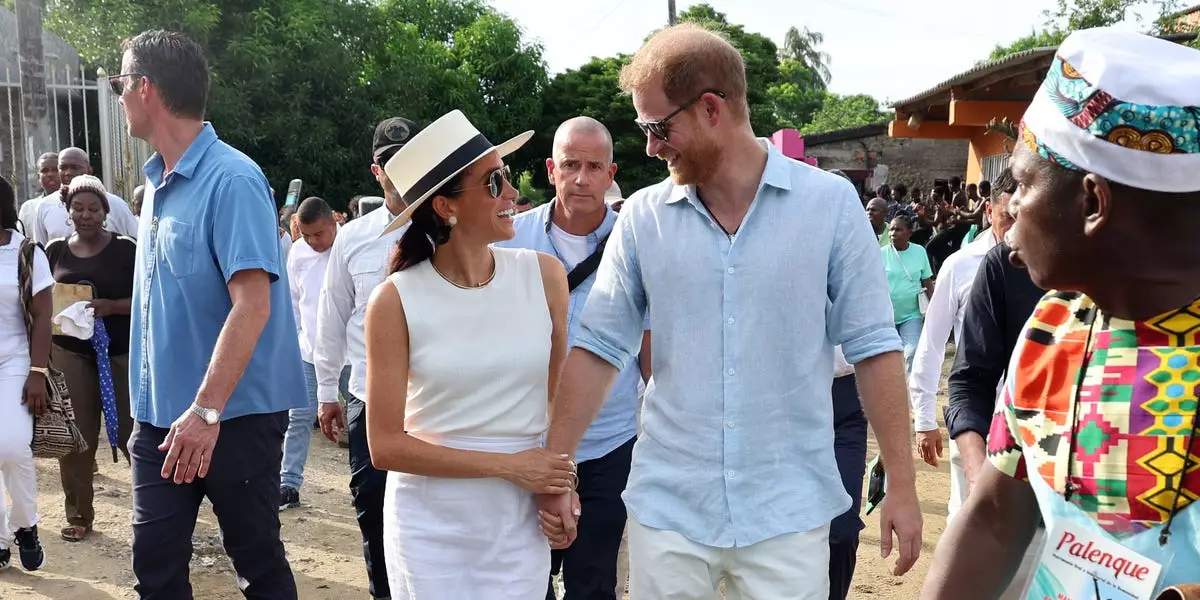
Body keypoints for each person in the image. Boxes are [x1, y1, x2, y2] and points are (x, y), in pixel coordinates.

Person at [537, 23, 922, 600]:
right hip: (670, 506)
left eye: (658, 127)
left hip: (788, 510)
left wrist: (903, 484)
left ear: (712, 108)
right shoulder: (645, 217)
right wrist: (557, 469)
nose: (649, 147)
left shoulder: (830, 205)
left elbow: (873, 347)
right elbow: (598, 350)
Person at [923, 28, 1200, 597]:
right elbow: (995, 519)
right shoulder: (1055, 326)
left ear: (1093, 203)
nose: (1010, 211)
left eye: (1022, 184)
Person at [116, 29, 305, 598]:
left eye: (120, 83)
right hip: (160, 423)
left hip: (233, 419)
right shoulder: (153, 187)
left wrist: (206, 411)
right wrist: (143, 412)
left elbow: (253, 304)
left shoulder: (234, 179)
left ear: (146, 88)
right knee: (155, 566)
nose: (117, 95)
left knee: (257, 563)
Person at [365, 109, 574, 598]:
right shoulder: (395, 300)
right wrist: (509, 466)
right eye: (494, 181)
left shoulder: (545, 277)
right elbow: (385, 446)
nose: (512, 193)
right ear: (445, 207)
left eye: (506, 176)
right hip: (430, 528)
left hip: (519, 521)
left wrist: (561, 484)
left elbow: (558, 401)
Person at [496, 116, 638, 600]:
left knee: (593, 581)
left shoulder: (636, 245)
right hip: (526, 440)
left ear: (610, 173)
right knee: (525, 577)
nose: (582, 178)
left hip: (609, 442)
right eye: (571, 165)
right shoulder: (508, 242)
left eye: (594, 166)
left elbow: (655, 346)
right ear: (551, 170)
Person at [314, 116, 422, 600]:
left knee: (433, 513)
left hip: (436, 404)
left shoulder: (454, 230)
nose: (400, 171)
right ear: (375, 170)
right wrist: (324, 392)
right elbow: (332, 316)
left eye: (409, 159)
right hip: (367, 399)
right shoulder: (353, 238)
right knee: (373, 510)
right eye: (388, 162)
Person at [908, 168, 1014, 505]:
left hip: (1030, 425)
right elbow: (932, 343)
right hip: (974, 416)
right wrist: (924, 419)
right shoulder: (960, 266)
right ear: (988, 211)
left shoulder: (1053, 267)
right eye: (1005, 217)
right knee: (968, 517)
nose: (1015, 228)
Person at [43, 175, 137, 543]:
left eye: (93, 209)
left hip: (119, 352)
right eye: (78, 208)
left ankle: (159, 507)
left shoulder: (126, 249)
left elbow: (149, 298)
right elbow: (39, 299)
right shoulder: (54, 251)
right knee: (76, 436)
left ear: (106, 211)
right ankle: (79, 514)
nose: (85, 215)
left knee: (135, 433)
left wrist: (112, 307)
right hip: (71, 356)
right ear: (68, 212)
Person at [280, 196, 347, 510]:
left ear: (333, 223)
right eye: (306, 235)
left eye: (319, 234)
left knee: (365, 420)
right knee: (299, 418)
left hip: (351, 354)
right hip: (310, 352)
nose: (313, 241)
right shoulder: (297, 253)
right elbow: (294, 301)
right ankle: (288, 484)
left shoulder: (349, 247)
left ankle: (376, 481)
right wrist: (296, 341)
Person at [0, 175, 51, 572]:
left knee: (13, 446)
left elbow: (42, 315)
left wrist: (37, 371)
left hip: (15, 359)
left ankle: (25, 525)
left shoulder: (27, 252)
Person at [26, 147, 139, 244]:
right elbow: (42, 252)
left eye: (75, 167)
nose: (68, 172)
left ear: (89, 170)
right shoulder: (44, 206)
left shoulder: (116, 204)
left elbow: (136, 243)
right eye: (63, 168)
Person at [882, 215, 933, 375]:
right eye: (891, 229)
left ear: (909, 232)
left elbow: (927, 283)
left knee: (911, 354)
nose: (892, 233)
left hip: (911, 315)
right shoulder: (880, 253)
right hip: (886, 317)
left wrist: (933, 311)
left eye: (898, 229)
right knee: (888, 359)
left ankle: (909, 396)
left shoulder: (919, 252)